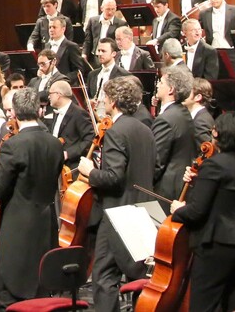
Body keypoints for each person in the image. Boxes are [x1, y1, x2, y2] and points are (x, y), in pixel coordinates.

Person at [77, 75, 155, 312]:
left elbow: (114, 177)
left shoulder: (116, 131)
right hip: (143, 212)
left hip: (118, 215)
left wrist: (89, 171)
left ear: (112, 101)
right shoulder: (145, 129)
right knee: (138, 278)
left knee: (104, 276)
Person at [168, 112, 235, 312]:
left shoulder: (214, 164)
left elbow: (196, 212)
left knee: (204, 305)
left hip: (219, 244)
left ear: (218, 134)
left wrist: (178, 210)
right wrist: (199, 182)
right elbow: (226, 198)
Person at [0, 86, 64, 307]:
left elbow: (0, 188)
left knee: (11, 294)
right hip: (46, 224)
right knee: (40, 293)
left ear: (14, 113)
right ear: (39, 111)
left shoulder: (13, 145)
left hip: (18, 227)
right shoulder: (54, 143)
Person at [151, 65, 198, 199]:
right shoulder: (184, 113)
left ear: (170, 89)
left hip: (166, 189)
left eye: (161, 82)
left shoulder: (166, 119)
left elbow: (157, 162)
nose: (158, 85)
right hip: (180, 185)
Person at [43, 79, 94, 164]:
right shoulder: (57, 112)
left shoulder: (79, 113)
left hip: (72, 165)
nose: (48, 97)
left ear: (58, 95)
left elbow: (90, 139)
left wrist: (68, 153)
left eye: (50, 94)